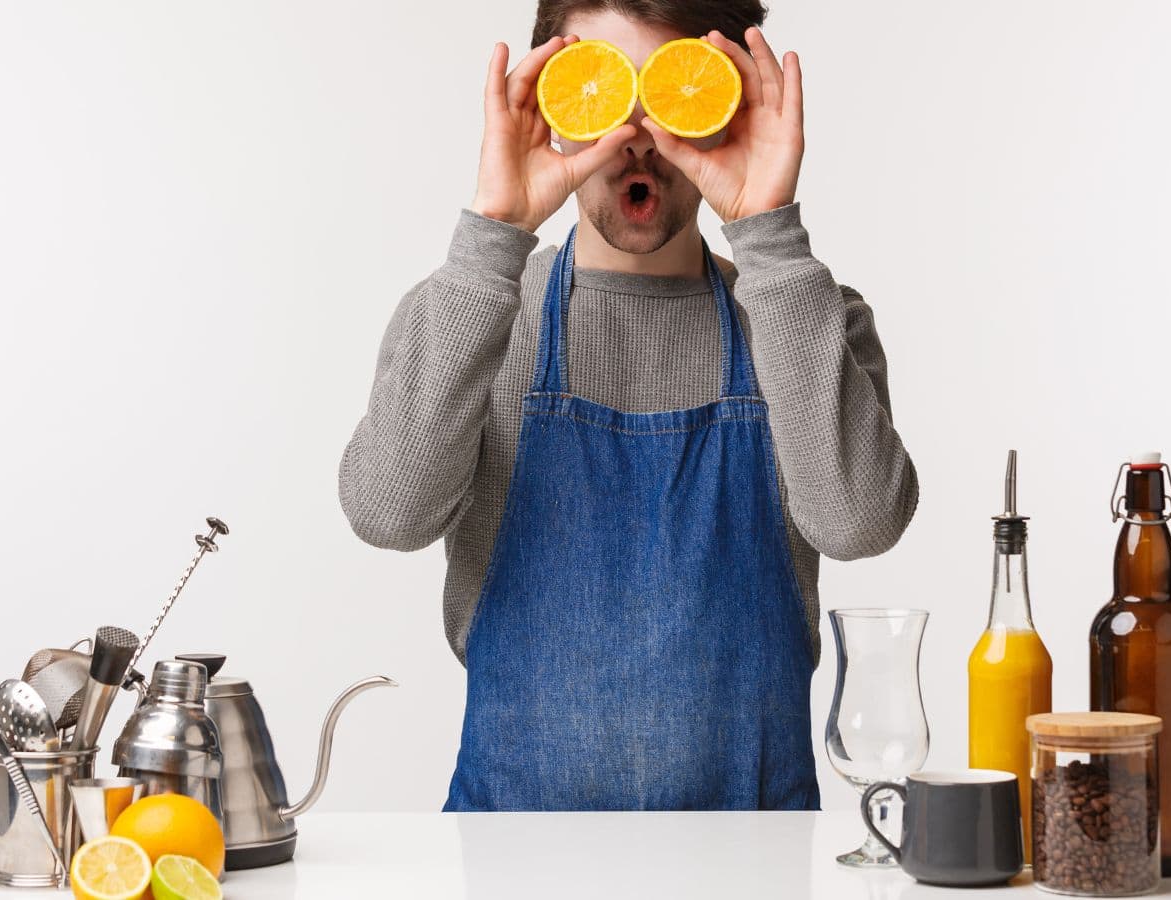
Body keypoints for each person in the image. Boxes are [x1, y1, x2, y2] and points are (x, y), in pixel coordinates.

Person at [339, 0, 918, 811]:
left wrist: (770, 235)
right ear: (549, 106)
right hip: (516, 860)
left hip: (757, 863)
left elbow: (860, 523)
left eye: (670, 95)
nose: (639, 138)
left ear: (730, 108)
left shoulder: (803, 316)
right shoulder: (476, 311)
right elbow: (386, 513)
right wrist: (492, 233)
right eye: (607, 95)